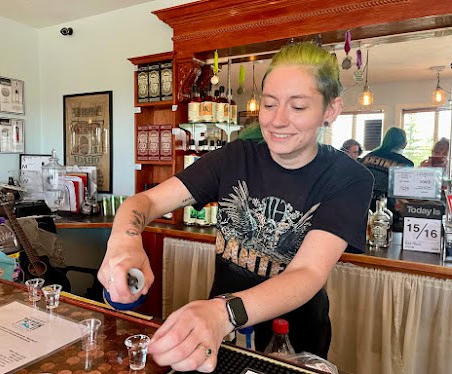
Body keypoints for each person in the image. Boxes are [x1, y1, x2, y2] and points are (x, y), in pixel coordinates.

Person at [98, 42, 373, 372]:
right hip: (222, 336)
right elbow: (145, 201)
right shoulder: (235, 157)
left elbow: (307, 272)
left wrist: (222, 313)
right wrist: (124, 242)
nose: (278, 120)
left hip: (292, 343)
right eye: (269, 105)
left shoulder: (348, 177)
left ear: (331, 110)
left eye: (298, 107)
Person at [361, 127, 414, 212]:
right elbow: (407, 190)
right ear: (404, 144)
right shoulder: (405, 164)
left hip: (361, 203)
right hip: (387, 209)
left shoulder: (368, 157)